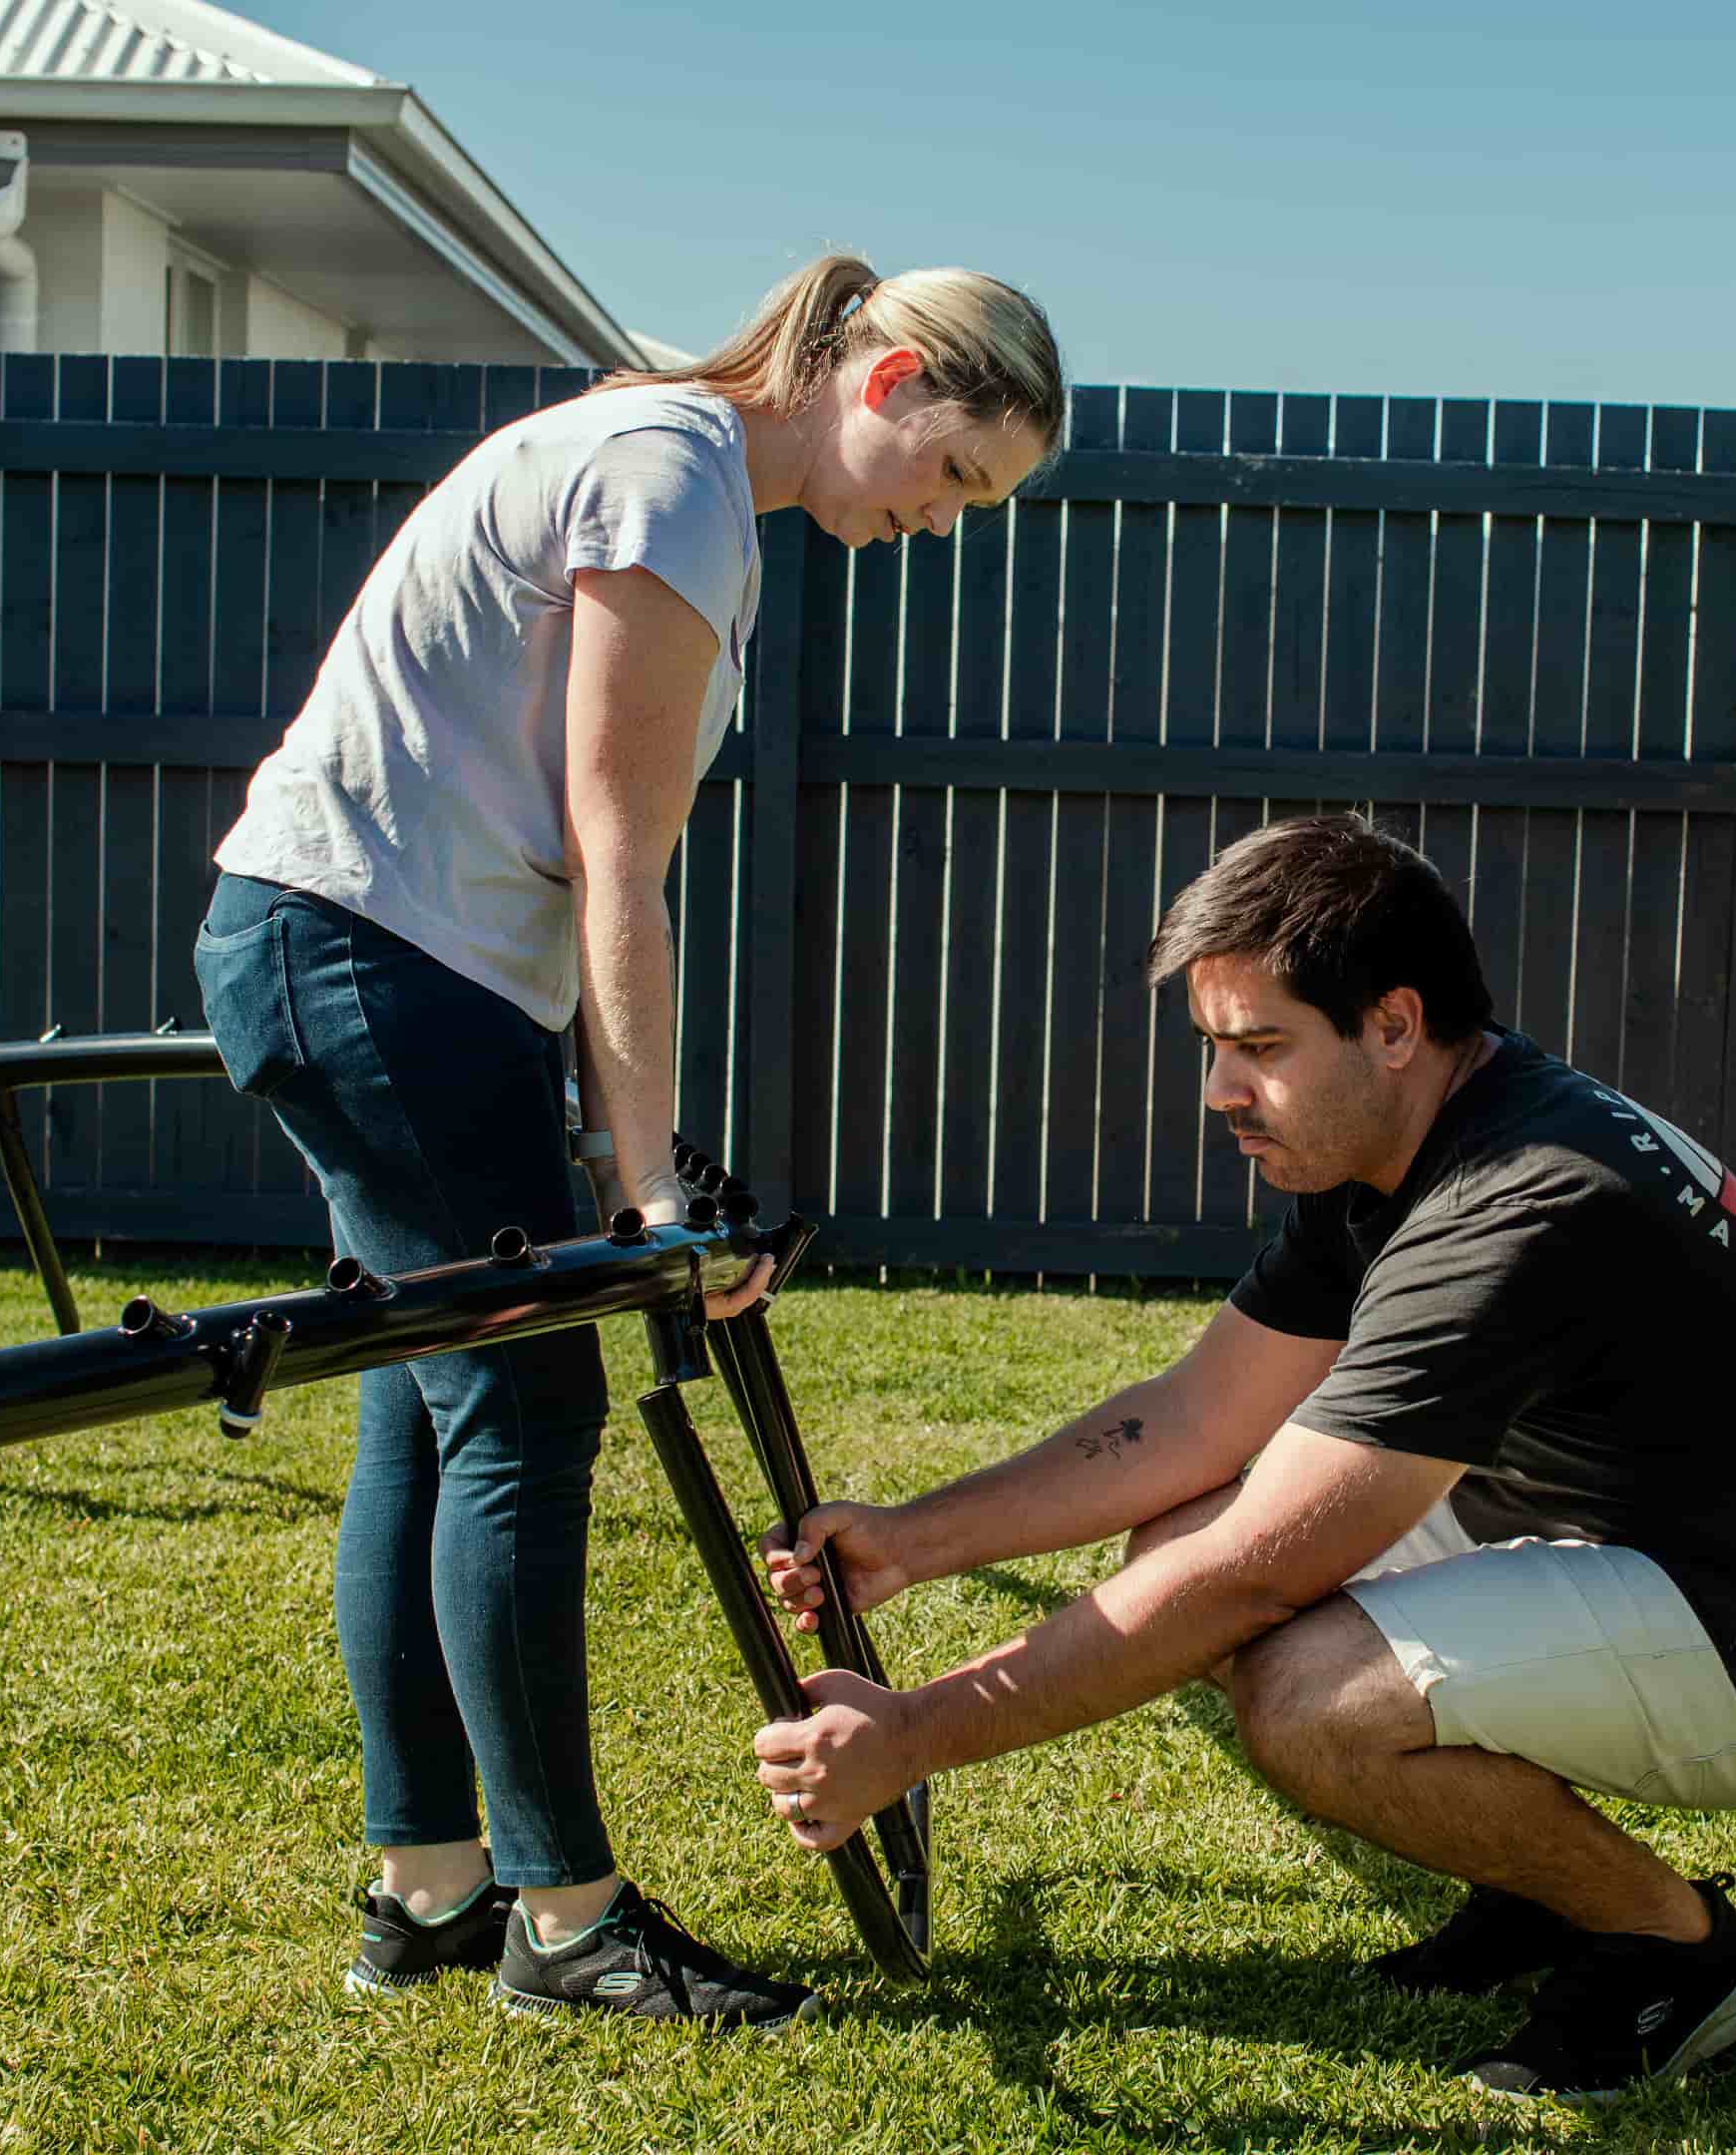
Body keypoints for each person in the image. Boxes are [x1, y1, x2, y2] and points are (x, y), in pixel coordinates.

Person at [194, 253, 1066, 2028]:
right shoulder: (674, 474)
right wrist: (652, 1181)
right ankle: (566, 1923)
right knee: (523, 1408)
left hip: (361, 950)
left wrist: (618, 1142)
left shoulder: (658, 461)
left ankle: (432, 1887)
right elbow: (619, 851)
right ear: (888, 380)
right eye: (959, 476)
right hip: (379, 960)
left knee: (427, 1413)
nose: (943, 523)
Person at [750, 813, 1736, 2093]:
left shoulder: (1518, 1200)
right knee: (1182, 1539)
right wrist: (915, 1539)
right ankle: (1535, 1884)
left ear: (1395, 1023)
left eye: (1260, 1048)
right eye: (1213, 1048)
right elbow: (1201, 1413)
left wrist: (913, 1734)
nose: (1219, 1093)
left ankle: (1672, 1947)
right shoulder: (1393, 1139)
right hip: (1627, 1543)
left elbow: (1254, 1577)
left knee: (1308, 1693)